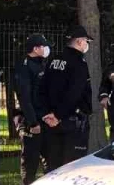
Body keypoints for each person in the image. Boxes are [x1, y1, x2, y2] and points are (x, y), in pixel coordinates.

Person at [40, 26, 94, 168]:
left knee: (53, 166)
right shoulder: (79, 64)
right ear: (80, 42)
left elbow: (43, 89)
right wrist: (58, 115)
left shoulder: (53, 60)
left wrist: (47, 113)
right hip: (71, 122)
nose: (86, 44)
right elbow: (74, 94)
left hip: (51, 122)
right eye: (86, 41)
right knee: (72, 167)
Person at [12, 34, 50, 185]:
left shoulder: (42, 64)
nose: (46, 49)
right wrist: (32, 122)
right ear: (35, 48)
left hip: (44, 119)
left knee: (50, 161)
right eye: (43, 46)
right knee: (30, 161)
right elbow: (24, 98)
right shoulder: (25, 67)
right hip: (31, 122)